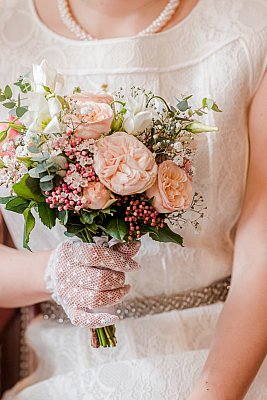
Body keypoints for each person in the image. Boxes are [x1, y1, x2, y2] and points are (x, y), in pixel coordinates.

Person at [0, 0, 267, 398]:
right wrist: (53, 273)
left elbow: (260, 253)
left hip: (225, 360)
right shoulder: (8, 30)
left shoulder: (250, 25)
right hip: (65, 369)